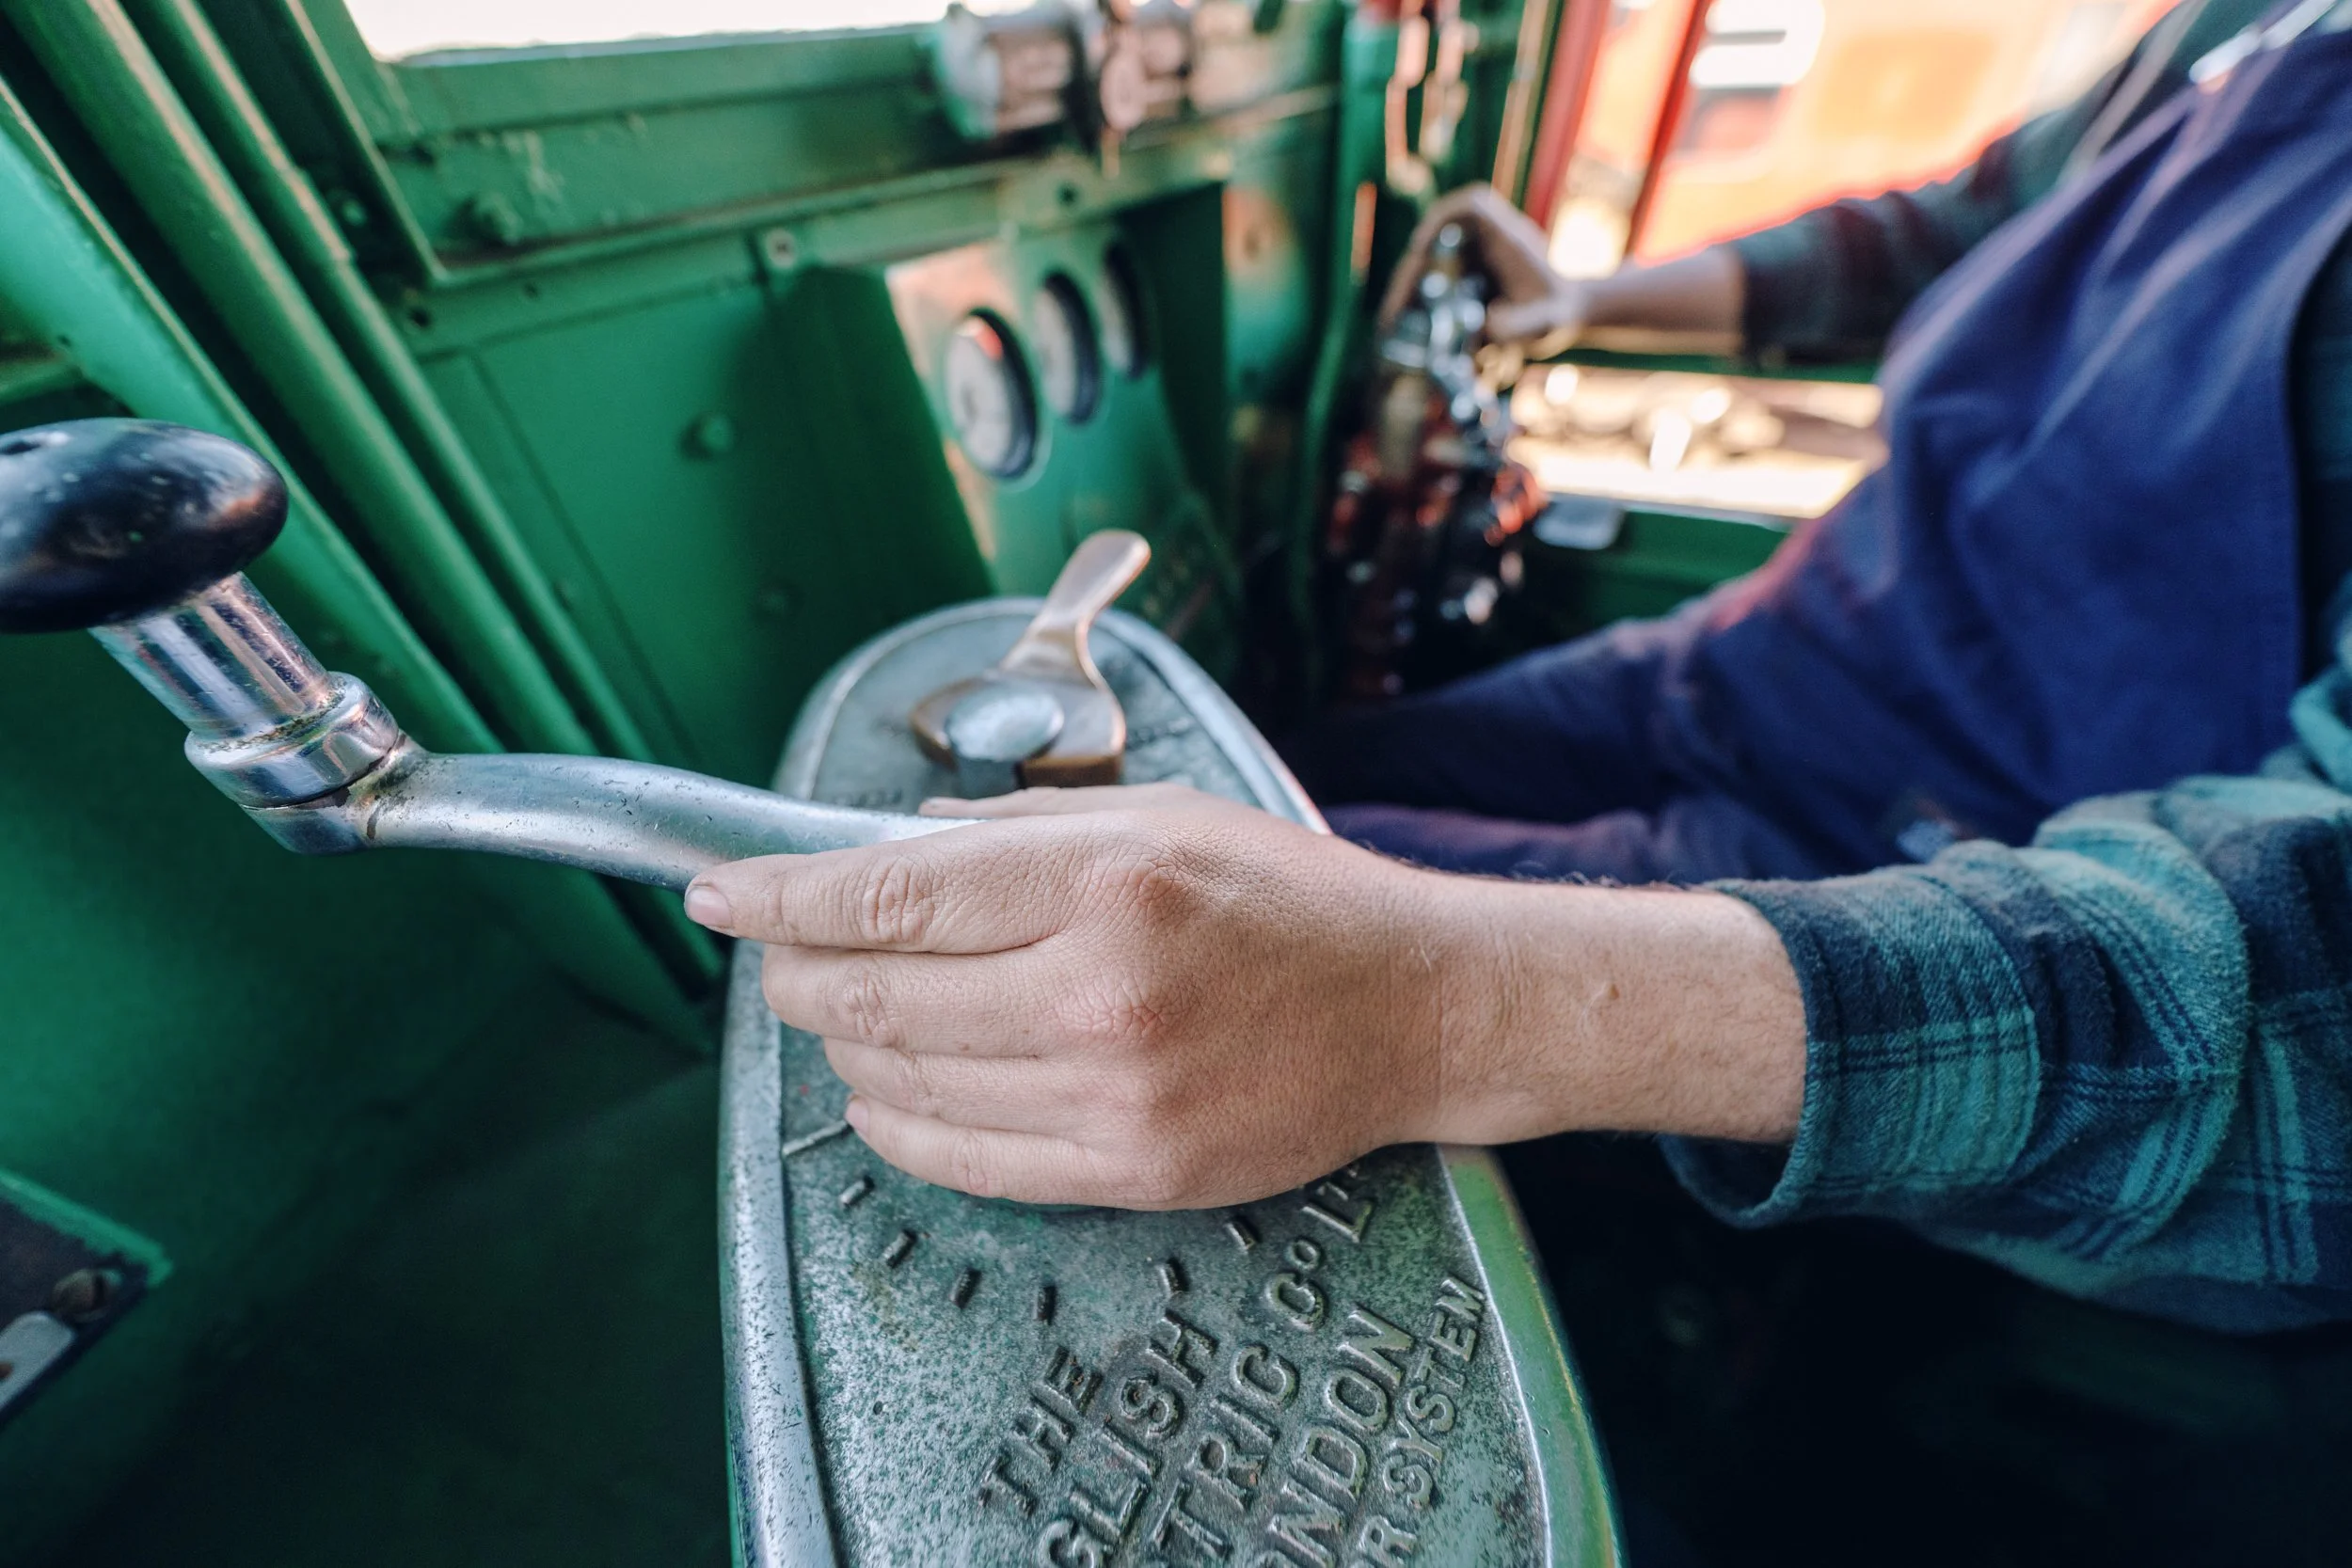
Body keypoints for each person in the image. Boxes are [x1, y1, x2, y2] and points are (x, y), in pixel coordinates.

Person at [681, 0, 2352, 1335]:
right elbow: (1973, 221)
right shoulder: (2260, 19)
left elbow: (2309, 1005)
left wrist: (1459, 1000)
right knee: (1292, 769)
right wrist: (1584, 297)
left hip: (1954, 842)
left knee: (1219, 958)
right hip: (1771, 652)